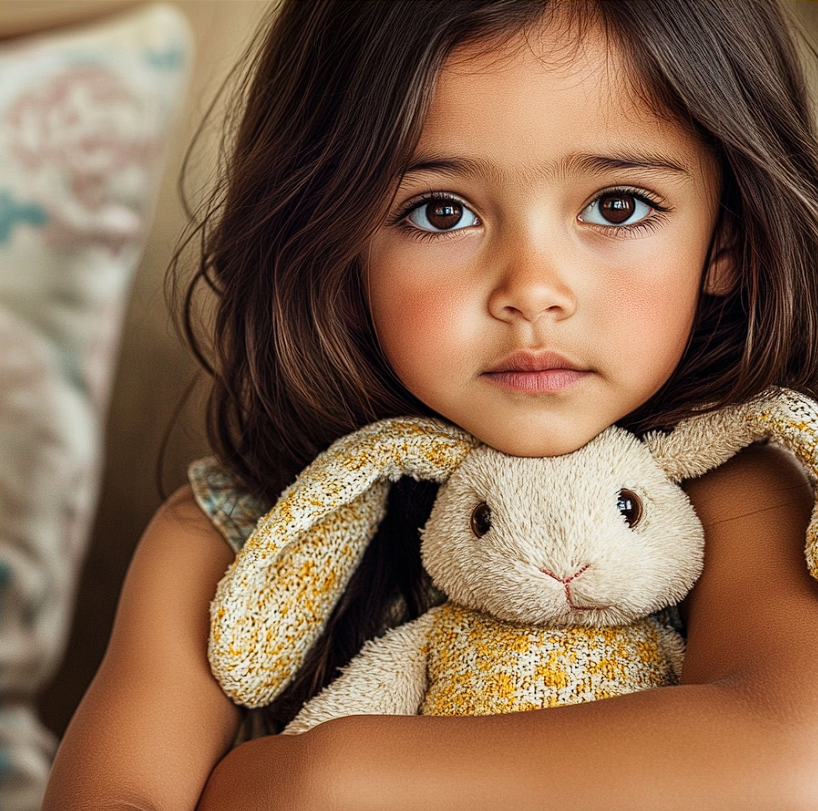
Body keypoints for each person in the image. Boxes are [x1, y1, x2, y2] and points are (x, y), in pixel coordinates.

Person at [43, 1, 818, 809]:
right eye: (441, 211)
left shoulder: (740, 489)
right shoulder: (229, 538)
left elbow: (792, 761)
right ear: (335, 239)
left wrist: (320, 777)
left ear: (728, 239)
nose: (533, 292)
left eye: (617, 205)